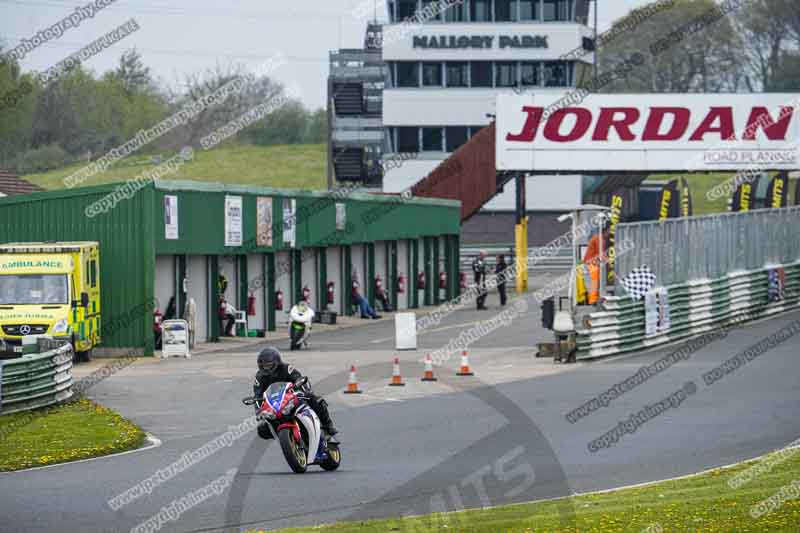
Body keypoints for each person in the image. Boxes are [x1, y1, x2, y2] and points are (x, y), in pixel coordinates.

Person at [252, 347, 337, 437]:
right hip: (275, 404)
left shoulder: (286, 368)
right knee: (262, 429)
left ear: (276, 362)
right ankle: (284, 436)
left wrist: (303, 389)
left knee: (317, 400)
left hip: (292, 396)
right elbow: (257, 395)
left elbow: (298, 378)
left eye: (268, 365)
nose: (266, 368)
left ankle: (328, 426)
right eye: (263, 366)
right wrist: (259, 412)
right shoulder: (259, 377)